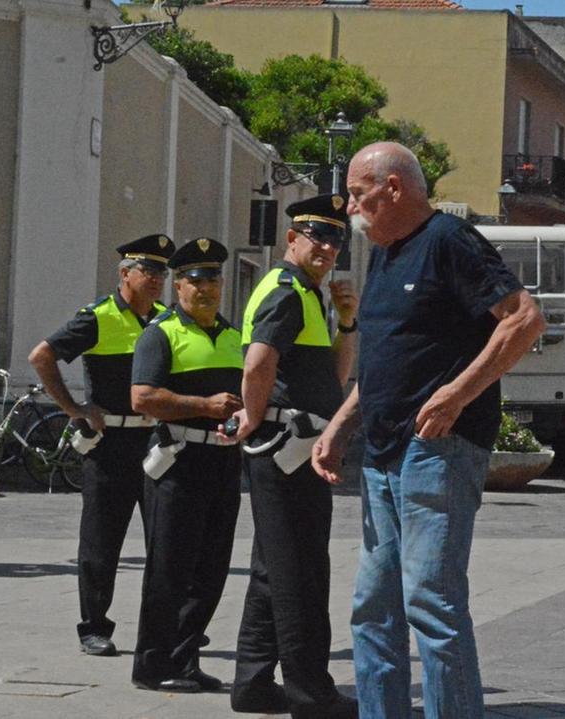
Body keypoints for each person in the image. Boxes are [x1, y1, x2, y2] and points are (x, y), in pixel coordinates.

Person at [312, 142, 546, 719]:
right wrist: (340, 425)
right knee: (373, 607)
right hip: (382, 453)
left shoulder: (449, 242)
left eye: (358, 193)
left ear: (394, 187)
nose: (350, 208)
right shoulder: (386, 255)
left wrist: (457, 394)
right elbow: (388, 359)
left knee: (431, 603)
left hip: (436, 451)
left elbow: (524, 319)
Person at [224, 195, 359, 718]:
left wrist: (346, 321)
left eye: (336, 240)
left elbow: (335, 377)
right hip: (287, 447)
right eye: (316, 237)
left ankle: (254, 684)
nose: (326, 247)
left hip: (292, 445)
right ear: (292, 240)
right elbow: (259, 362)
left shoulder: (308, 294)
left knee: (273, 568)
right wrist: (253, 418)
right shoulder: (286, 292)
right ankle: (310, 693)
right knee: (301, 571)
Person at [29, 234, 173, 657]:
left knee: (166, 539)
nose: (156, 280)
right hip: (110, 443)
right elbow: (42, 356)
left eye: (161, 272)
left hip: (154, 442)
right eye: (148, 271)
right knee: (101, 542)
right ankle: (94, 626)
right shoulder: (99, 316)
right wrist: (74, 407)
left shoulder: (165, 319)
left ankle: (165, 626)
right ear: (125, 274)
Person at [129, 237, 244, 693]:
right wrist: (204, 405)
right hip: (178, 463)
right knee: (169, 569)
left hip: (223, 462)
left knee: (211, 569)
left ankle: (186, 657)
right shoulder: (161, 333)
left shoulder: (234, 335)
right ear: (179, 286)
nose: (206, 288)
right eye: (196, 280)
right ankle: (152, 664)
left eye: (213, 278)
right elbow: (142, 398)